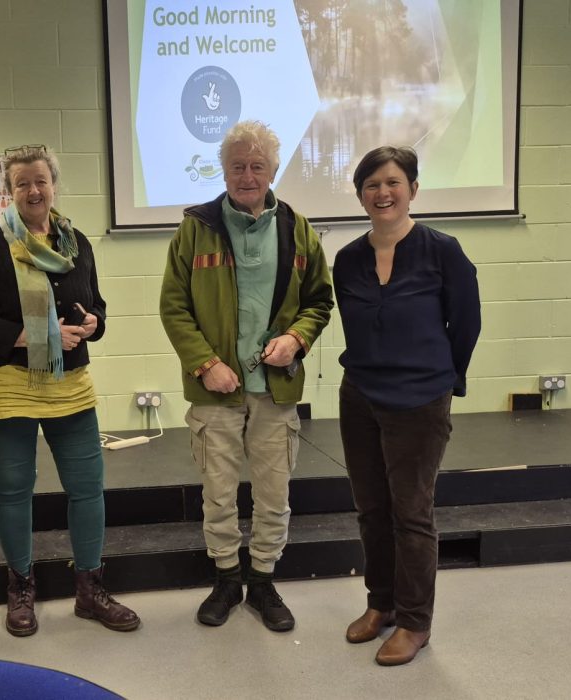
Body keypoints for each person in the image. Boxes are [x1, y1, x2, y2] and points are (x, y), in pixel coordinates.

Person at [0, 144, 140, 637]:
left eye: (41, 181)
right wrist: (39, 336)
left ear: (53, 184)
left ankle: (90, 591)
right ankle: (21, 590)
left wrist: (94, 323)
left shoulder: (76, 241)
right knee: (14, 493)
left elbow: (95, 306)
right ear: (9, 192)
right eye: (22, 184)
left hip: (69, 382)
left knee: (88, 489)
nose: (33, 191)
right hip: (8, 383)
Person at [160, 120, 333, 632]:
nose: (247, 175)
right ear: (224, 170)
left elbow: (320, 301)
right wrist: (205, 364)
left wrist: (298, 338)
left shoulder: (298, 229)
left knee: (273, 493)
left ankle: (262, 580)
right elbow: (174, 307)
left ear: (274, 170)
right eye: (237, 166)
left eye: (258, 166)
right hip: (216, 391)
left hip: (275, 391)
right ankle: (227, 579)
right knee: (218, 491)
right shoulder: (196, 228)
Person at [335, 146, 480, 667]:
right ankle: (382, 605)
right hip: (361, 398)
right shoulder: (348, 258)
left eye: (393, 182)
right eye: (372, 185)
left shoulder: (444, 251)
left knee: (411, 514)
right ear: (360, 195)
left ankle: (416, 621)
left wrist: (442, 380)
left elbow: (466, 326)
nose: (383, 193)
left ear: (412, 189)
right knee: (371, 509)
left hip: (420, 401)